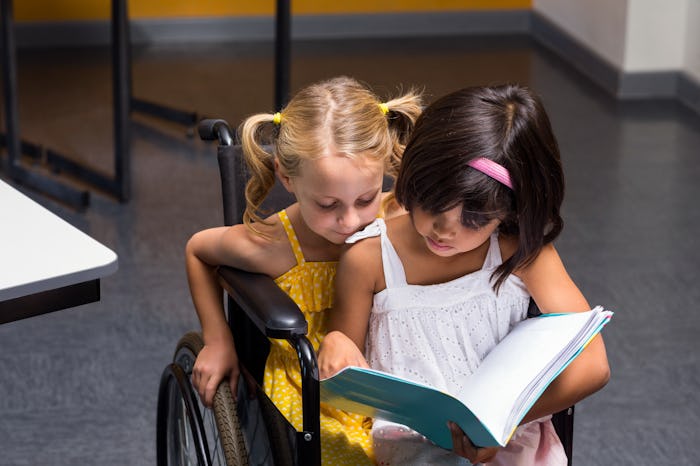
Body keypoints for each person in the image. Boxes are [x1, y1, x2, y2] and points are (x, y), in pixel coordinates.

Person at [318, 84, 611, 465]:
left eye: (474, 219)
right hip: (412, 444)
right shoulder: (370, 258)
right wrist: (336, 341)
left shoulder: (520, 251)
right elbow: (345, 373)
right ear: (414, 179)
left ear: (508, 211)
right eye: (432, 205)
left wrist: (502, 426)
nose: (445, 230)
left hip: (511, 435)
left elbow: (594, 365)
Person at [185, 76, 422, 465]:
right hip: (311, 386)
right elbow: (198, 250)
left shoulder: (397, 213)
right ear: (286, 177)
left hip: (389, 369)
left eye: (365, 198)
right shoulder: (273, 244)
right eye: (328, 204)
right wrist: (218, 338)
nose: (349, 220)